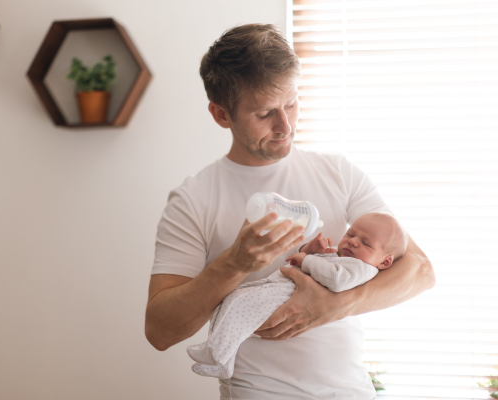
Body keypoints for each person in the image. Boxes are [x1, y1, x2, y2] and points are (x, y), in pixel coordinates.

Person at [145, 23, 434, 400]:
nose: (286, 126)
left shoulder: (339, 173)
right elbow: (160, 331)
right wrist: (234, 263)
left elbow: (419, 271)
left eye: (292, 103)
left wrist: (333, 306)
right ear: (221, 115)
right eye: (265, 113)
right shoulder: (193, 199)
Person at [187, 212, 408, 379]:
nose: (353, 241)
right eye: (351, 234)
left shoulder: (363, 268)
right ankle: (223, 359)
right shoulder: (339, 256)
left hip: (288, 295)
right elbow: (313, 265)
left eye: (366, 243)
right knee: (231, 299)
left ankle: (216, 350)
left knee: (238, 303)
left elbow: (337, 281)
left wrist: (307, 260)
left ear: (385, 261)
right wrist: (309, 250)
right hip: (281, 287)